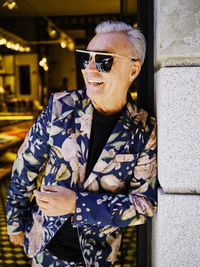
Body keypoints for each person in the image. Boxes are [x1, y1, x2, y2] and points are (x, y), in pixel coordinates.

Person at [6, 20, 157, 267]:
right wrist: (14, 222)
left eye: (105, 61)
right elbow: (25, 167)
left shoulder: (144, 130)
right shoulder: (60, 107)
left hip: (97, 258)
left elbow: (145, 204)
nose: (90, 69)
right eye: (87, 59)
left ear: (133, 70)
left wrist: (77, 204)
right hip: (42, 247)